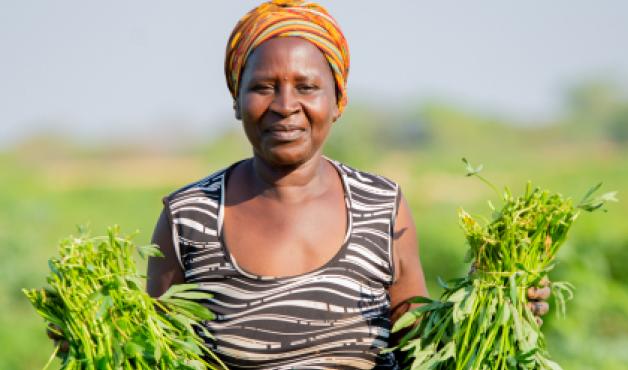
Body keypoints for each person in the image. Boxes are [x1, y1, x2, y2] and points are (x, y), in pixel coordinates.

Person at [51, 1, 550, 368]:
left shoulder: (382, 205)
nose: (285, 105)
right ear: (236, 100)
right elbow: (156, 349)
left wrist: (501, 307)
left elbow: (418, 342)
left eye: (307, 87)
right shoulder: (191, 214)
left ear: (338, 101)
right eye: (263, 87)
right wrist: (97, 335)